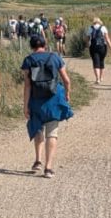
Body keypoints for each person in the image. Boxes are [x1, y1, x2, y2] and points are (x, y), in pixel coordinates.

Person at [21, 31, 73, 177]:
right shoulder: (55, 57)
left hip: (36, 101)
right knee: (52, 133)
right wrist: (67, 94)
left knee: (38, 130)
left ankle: (38, 160)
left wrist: (25, 105)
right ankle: (48, 168)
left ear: (31, 46)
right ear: (44, 44)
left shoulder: (28, 60)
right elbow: (66, 80)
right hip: (53, 100)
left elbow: (27, 86)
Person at [86, 16, 111, 82]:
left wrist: (87, 45)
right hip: (103, 47)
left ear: (93, 22)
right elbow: (107, 38)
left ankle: (97, 79)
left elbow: (87, 39)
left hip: (93, 47)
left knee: (95, 62)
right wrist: (110, 46)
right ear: (100, 22)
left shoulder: (90, 28)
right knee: (101, 61)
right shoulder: (103, 28)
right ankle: (101, 77)